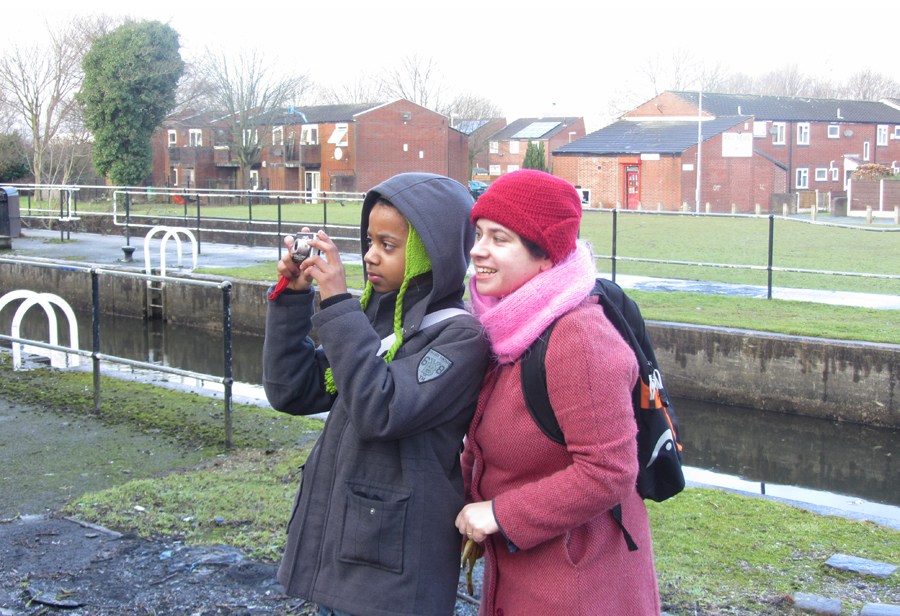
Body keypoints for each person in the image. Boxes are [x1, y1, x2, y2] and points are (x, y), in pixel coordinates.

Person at [263, 173, 489, 616]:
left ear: (430, 252)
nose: (369, 256)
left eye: (388, 245)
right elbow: (293, 390)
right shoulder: (375, 320)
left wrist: (336, 305)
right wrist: (293, 299)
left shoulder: (460, 339)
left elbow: (380, 409)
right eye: (369, 241)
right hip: (350, 549)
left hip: (396, 573)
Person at [455, 169, 661, 614]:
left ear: (545, 255)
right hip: (525, 572)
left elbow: (608, 470)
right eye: (478, 233)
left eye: (499, 238)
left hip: (577, 586)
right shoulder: (513, 325)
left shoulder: (578, 339)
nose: (478, 250)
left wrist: (499, 514)